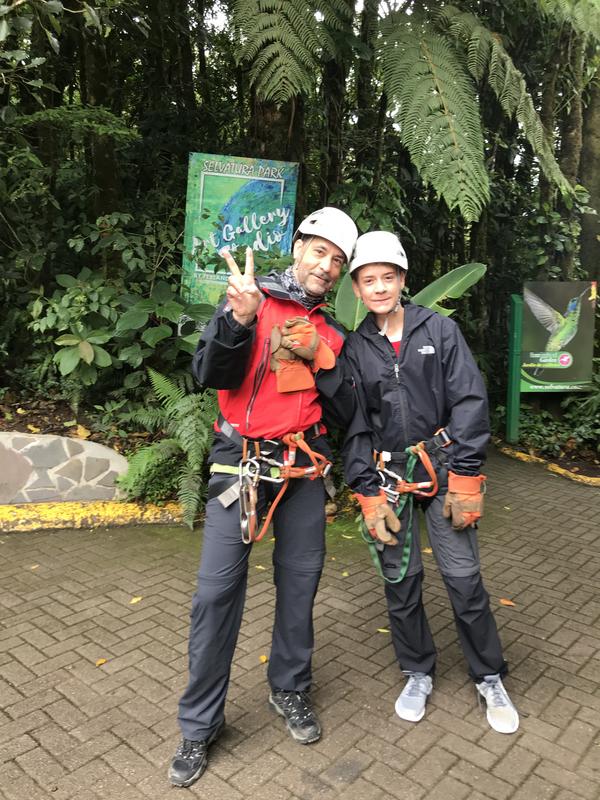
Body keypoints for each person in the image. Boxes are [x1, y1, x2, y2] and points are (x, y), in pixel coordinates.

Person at [169, 207, 359, 788]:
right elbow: (208, 371)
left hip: (301, 470)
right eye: (318, 251)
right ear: (297, 246)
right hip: (240, 466)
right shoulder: (249, 298)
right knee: (215, 594)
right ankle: (200, 725)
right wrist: (239, 320)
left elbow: (347, 413)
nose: (325, 266)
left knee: (301, 581)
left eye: (337, 260)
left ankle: (290, 688)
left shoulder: (331, 330)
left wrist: (322, 362)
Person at [341, 231, 519, 735]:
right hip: (388, 474)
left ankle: (489, 675)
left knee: (464, 578)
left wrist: (465, 475)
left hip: (441, 467)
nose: (379, 287)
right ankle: (417, 669)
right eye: (368, 280)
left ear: (402, 279)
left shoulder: (438, 330)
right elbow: (355, 422)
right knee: (401, 581)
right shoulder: (356, 347)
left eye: (387, 277)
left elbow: (468, 400)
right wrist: (366, 489)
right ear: (356, 288)